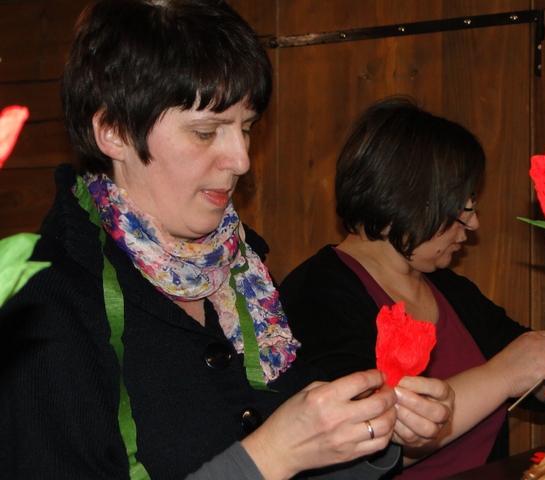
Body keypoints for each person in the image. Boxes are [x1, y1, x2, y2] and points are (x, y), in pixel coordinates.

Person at [0, 4, 454, 480]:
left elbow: (304, 463)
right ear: (113, 132)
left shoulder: (241, 272)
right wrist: (272, 454)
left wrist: (377, 432)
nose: (241, 160)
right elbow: (272, 458)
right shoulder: (44, 306)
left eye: (246, 127)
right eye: (205, 132)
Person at [279, 96, 545, 479]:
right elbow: (358, 446)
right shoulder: (317, 294)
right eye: (461, 205)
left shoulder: (447, 286)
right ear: (408, 198)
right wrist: (502, 375)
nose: (473, 222)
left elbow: (538, 392)